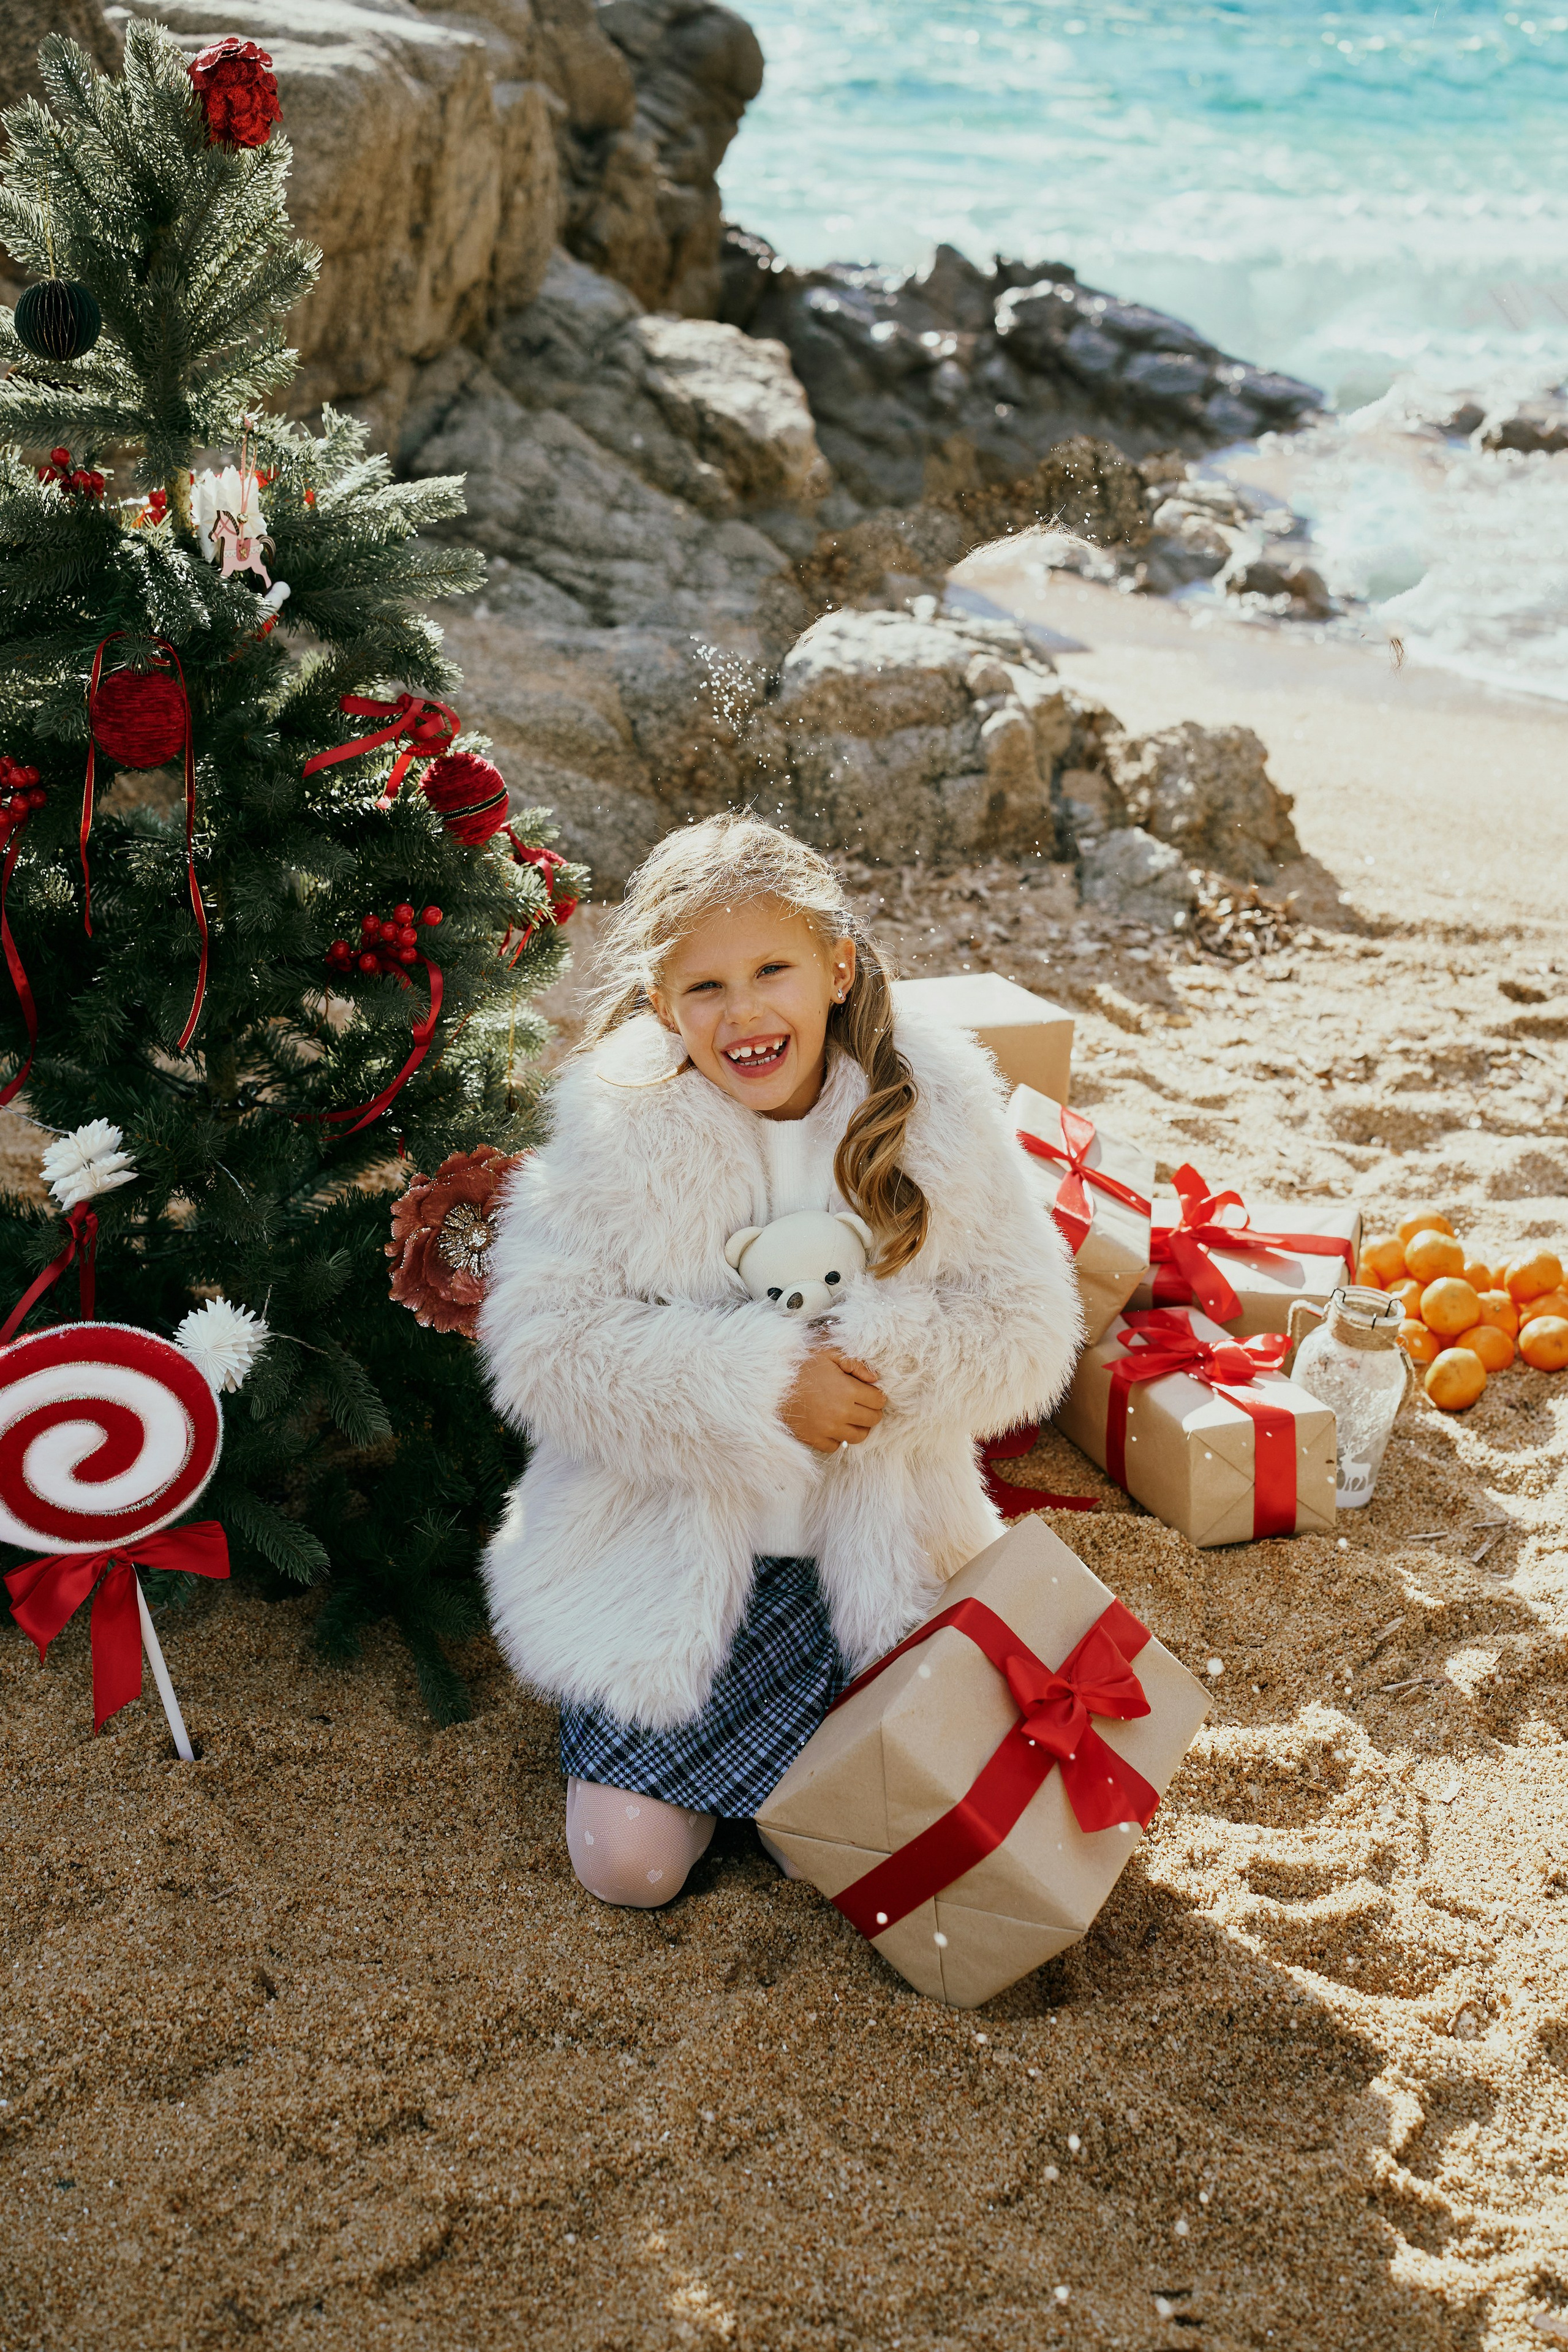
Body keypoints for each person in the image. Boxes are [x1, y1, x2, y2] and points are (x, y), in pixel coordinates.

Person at [478, 815, 1081, 1907]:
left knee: (864, 1849)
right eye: (704, 988)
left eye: (773, 970)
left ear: (837, 968)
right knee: (631, 1870)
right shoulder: (622, 1126)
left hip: (879, 1556)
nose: (744, 1012)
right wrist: (758, 1386)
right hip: (669, 1558)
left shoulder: (934, 1106)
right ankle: (703, 1780)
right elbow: (542, 1346)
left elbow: (1032, 1321)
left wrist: (878, 1365)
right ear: (663, 1005)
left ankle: (787, 1792)